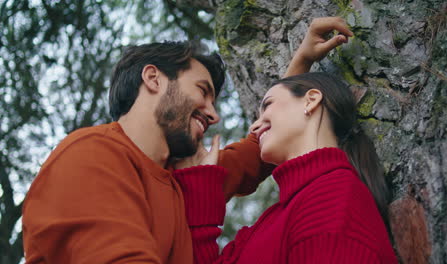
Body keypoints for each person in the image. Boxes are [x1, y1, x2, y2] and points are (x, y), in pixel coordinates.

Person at [22, 17, 353, 264]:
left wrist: (301, 66)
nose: (213, 115)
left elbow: (259, 149)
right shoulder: (91, 155)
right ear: (153, 79)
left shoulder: (181, 178)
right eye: (202, 91)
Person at [174, 73, 398, 263]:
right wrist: (200, 187)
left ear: (310, 100)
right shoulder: (280, 215)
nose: (255, 125)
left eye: (268, 105)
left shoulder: (332, 201)